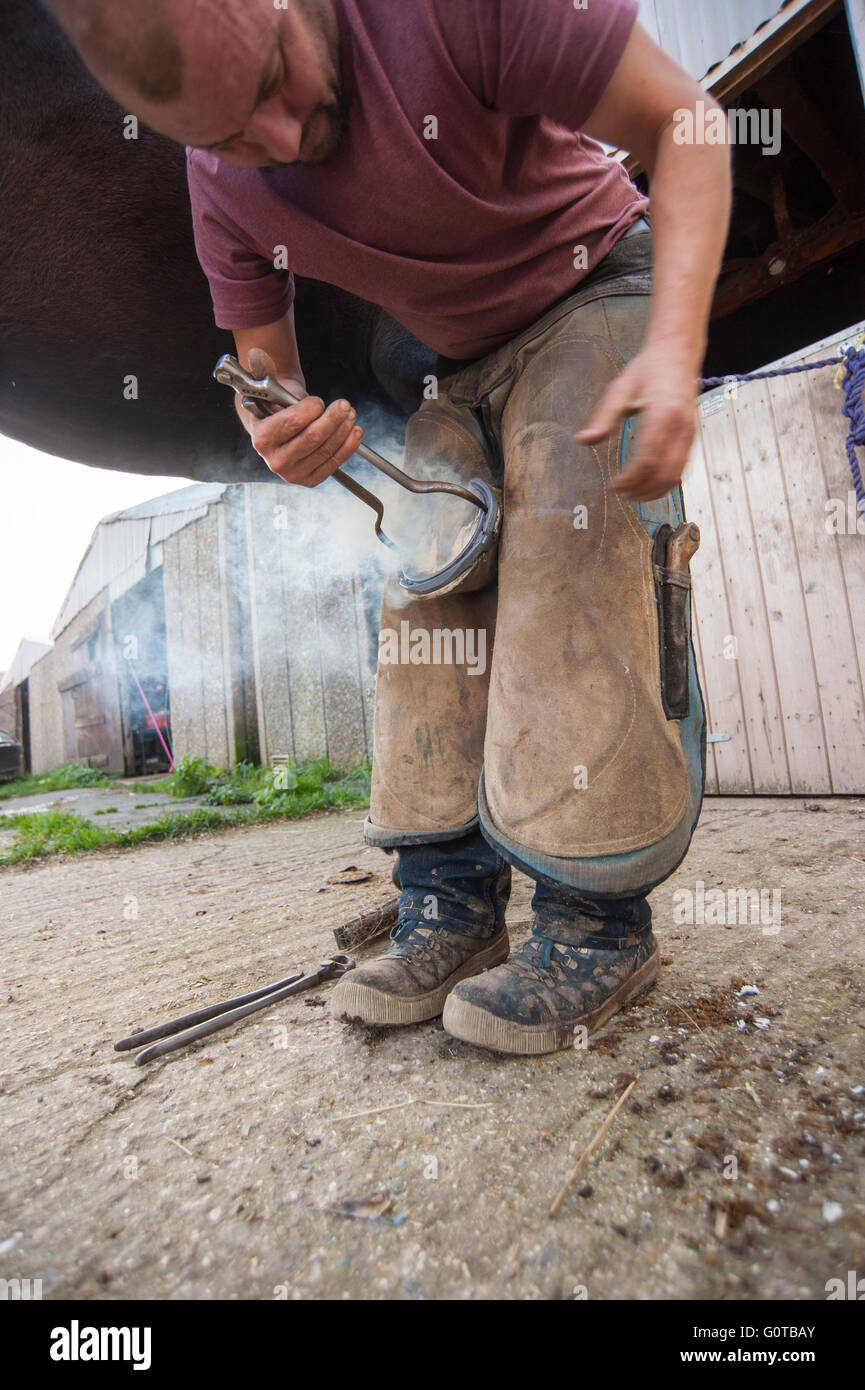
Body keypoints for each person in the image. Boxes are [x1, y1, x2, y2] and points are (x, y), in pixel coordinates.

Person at [50, 0, 731, 1054]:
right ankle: (449, 900)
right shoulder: (218, 177)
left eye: (275, 76)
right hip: (452, 366)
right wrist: (280, 427)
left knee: (566, 534)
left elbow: (686, 125)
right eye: (228, 136)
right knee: (423, 589)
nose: (273, 142)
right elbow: (263, 374)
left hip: (591, 282)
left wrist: (678, 341)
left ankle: (594, 920)